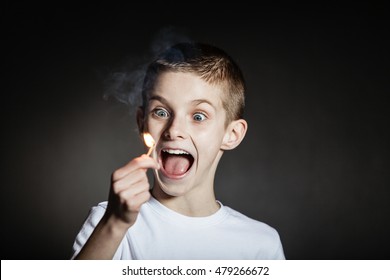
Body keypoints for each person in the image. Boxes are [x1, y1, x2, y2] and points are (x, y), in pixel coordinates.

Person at [71, 41, 285, 260]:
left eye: (198, 116)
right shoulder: (108, 224)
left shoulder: (261, 245)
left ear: (232, 134)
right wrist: (114, 225)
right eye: (161, 112)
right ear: (142, 122)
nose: (174, 131)